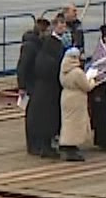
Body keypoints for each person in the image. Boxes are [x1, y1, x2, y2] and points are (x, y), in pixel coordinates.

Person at [17, 16, 61, 158]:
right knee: (33, 115)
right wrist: (22, 86)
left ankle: (39, 143)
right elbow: (23, 66)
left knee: (37, 114)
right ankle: (33, 144)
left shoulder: (40, 44)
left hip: (38, 81)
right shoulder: (30, 46)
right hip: (32, 82)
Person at [57, 46, 92, 162]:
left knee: (67, 121)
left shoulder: (63, 70)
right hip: (77, 98)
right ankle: (71, 147)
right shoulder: (77, 72)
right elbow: (86, 86)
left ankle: (65, 143)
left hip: (66, 96)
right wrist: (92, 81)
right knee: (75, 124)